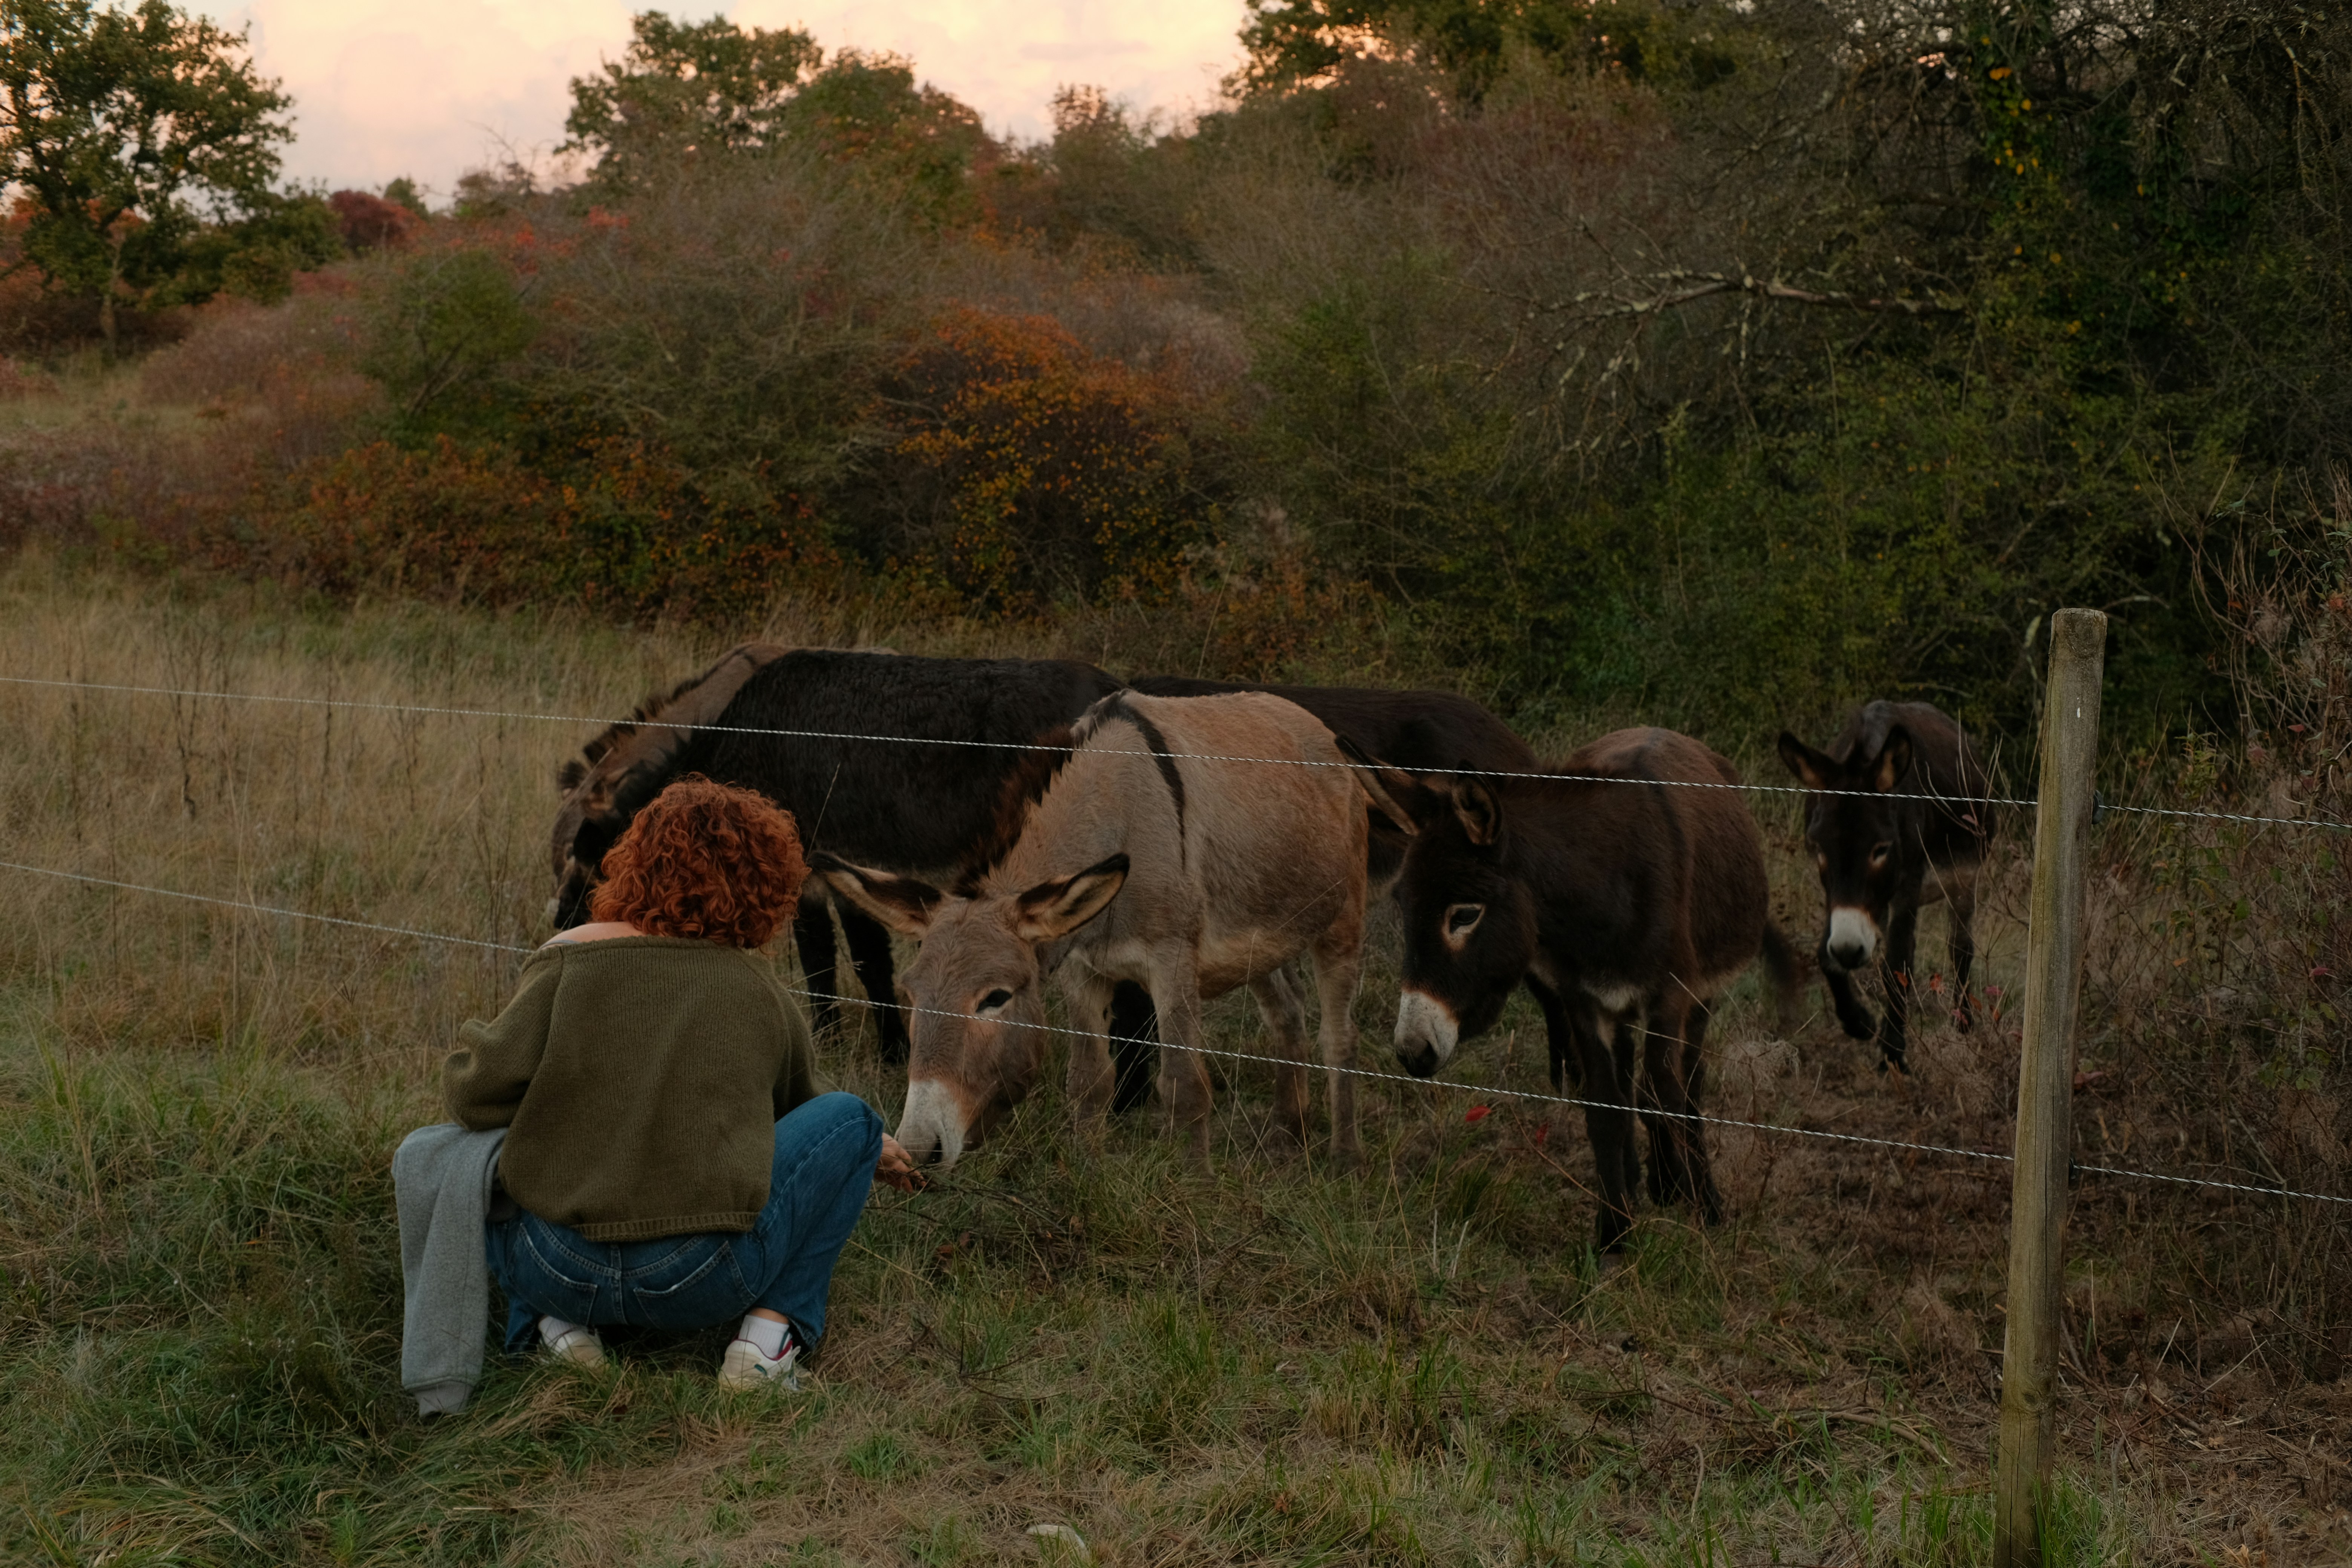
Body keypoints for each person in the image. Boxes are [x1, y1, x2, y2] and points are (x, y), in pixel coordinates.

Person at [443, 775, 914, 1389]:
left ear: (635, 862)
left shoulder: (568, 959)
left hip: (555, 1266)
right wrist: (871, 1144)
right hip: (705, 1280)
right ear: (765, 885)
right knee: (853, 1120)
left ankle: (554, 1327)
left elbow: (472, 1095)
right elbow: (809, 1110)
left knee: (471, 1154)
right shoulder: (758, 991)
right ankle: (765, 1343)